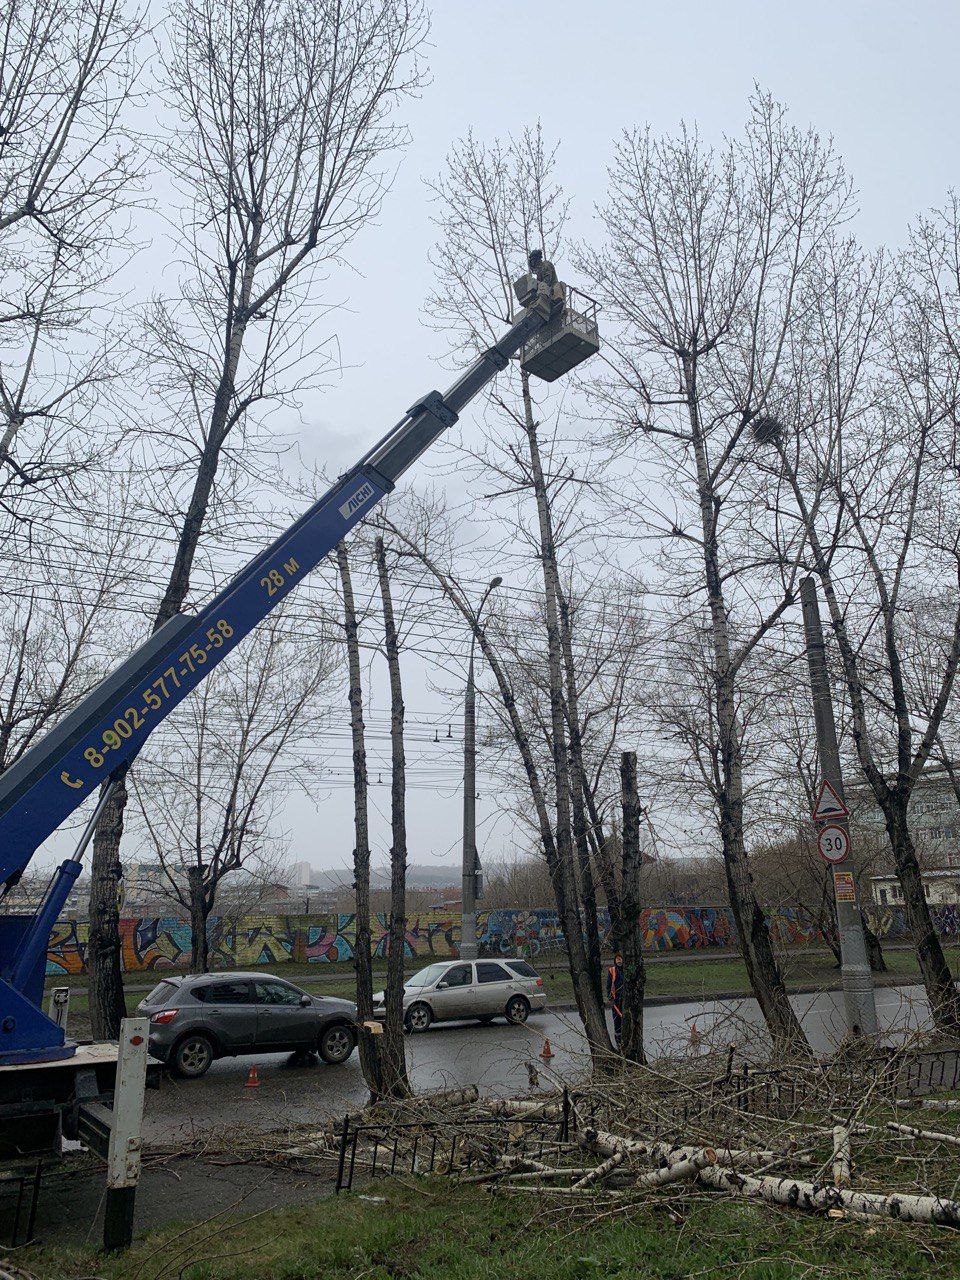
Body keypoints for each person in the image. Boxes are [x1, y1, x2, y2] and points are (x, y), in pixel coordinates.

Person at [606, 951, 624, 1049]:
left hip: (626, 998)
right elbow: (608, 986)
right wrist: (610, 997)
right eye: (617, 959)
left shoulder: (626, 969)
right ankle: (619, 1042)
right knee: (617, 1020)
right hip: (616, 999)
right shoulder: (612, 970)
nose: (619, 961)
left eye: (620, 958)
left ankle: (627, 1038)